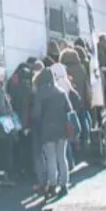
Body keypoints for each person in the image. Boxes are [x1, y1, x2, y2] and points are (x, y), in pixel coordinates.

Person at [33, 69, 73, 197]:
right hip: (62, 130)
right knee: (62, 157)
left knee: (51, 158)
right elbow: (69, 109)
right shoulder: (61, 92)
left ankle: (52, 184)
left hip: (47, 131)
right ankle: (64, 184)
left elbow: (37, 115)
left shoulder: (40, 94)